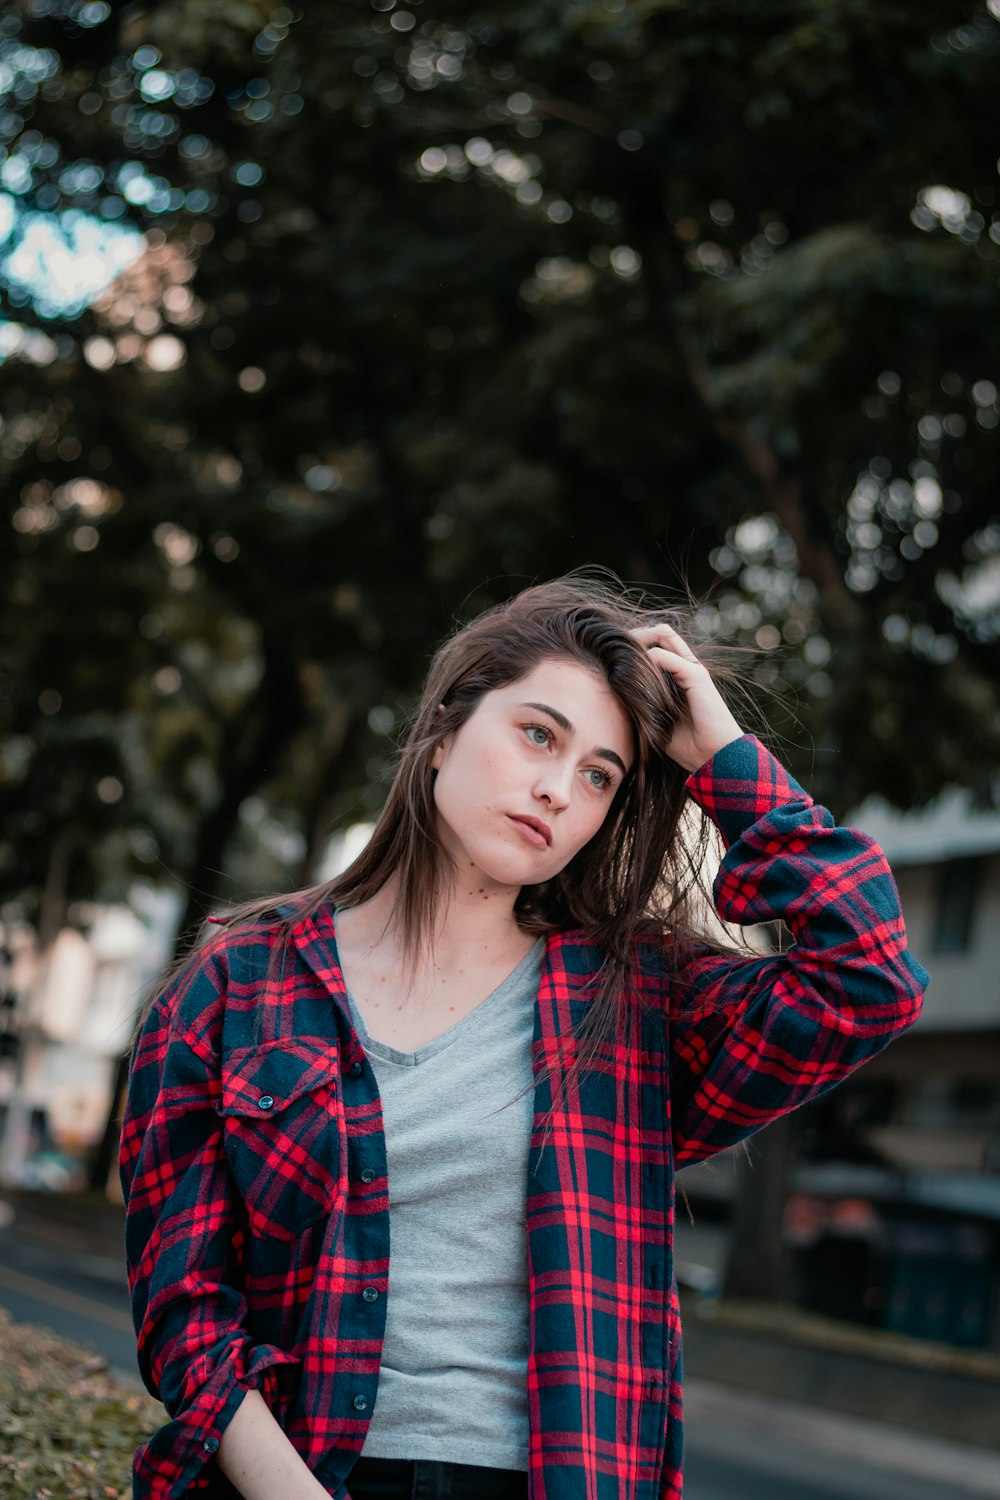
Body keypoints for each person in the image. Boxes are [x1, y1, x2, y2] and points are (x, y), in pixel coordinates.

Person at [119, 574, 928, 1500]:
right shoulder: (236, 986)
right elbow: (184, 1306)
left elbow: (866, 979)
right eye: (537, 734)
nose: (555, 789)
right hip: (299, 1477)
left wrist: (725, 761)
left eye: (598, 775)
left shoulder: (638, 1005)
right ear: (442, 733)